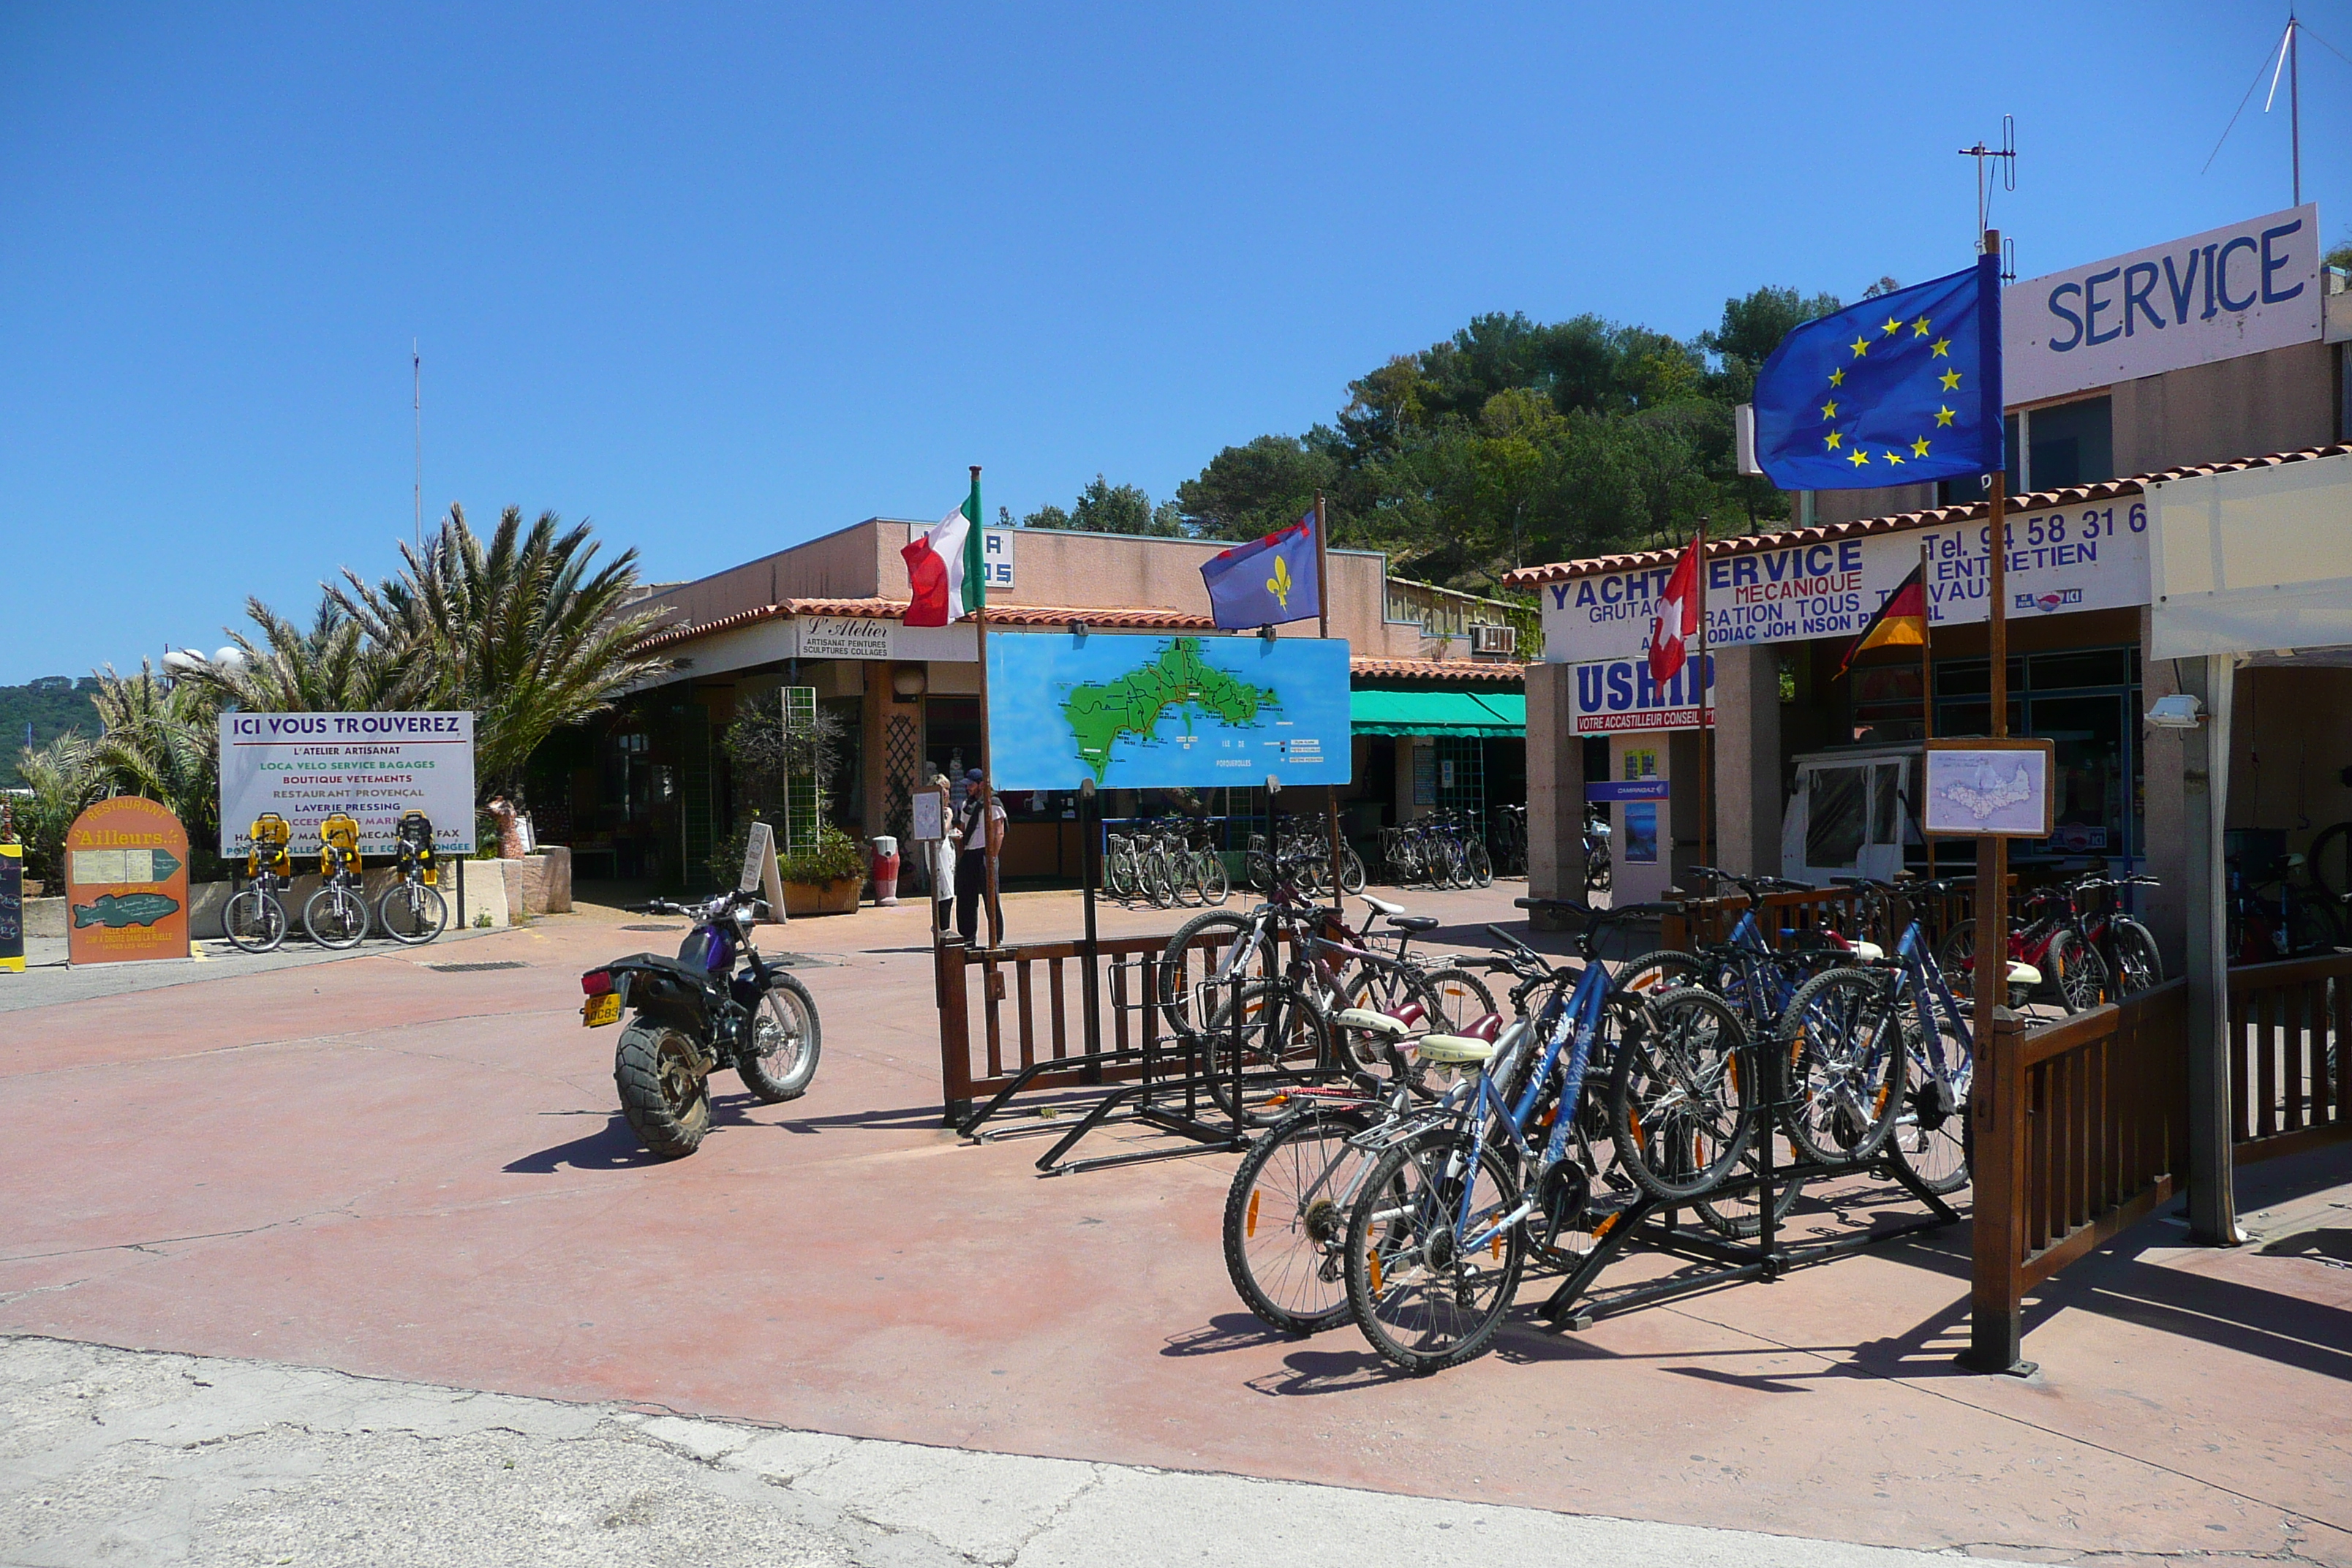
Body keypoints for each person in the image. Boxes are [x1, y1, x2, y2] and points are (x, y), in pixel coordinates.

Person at [954, 768, 1004, 943]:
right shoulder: (966, 805)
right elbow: (962, 828)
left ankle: (996, 937)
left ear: (982, 784)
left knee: (990, 896)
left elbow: (999, 832)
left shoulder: (993, 803)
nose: (968, 788)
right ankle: (968, 937)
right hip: (969, 853)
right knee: (966, 897)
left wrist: (992, 857)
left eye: (971, 784)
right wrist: (961, 854)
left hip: (985, 853)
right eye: (967, 785)